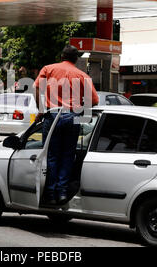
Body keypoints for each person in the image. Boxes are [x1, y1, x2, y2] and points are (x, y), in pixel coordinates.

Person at [34, 45, 99, 206]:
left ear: (62, 56)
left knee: (52, 155)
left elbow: (36, 88)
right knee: (67, 156)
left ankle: (49, 194)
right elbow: (95, 100)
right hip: (72, 117)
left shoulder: (48, 69)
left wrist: (41, 110)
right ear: (76, 59)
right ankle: (62, 193)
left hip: (53, 115)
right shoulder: (82, 75)